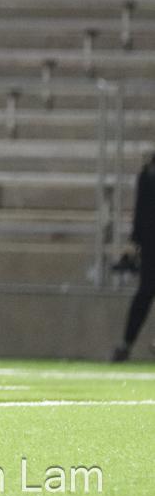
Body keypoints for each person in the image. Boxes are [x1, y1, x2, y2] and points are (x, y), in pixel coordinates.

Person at [113, 154, 155, 362]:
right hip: (151, 243)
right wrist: (136, 242)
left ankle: (126, 344)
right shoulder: (148, 174)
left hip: (149, 242)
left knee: (145, 293)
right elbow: (142, 212)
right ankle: (126, 343)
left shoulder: (148, 174)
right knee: (146, 292)